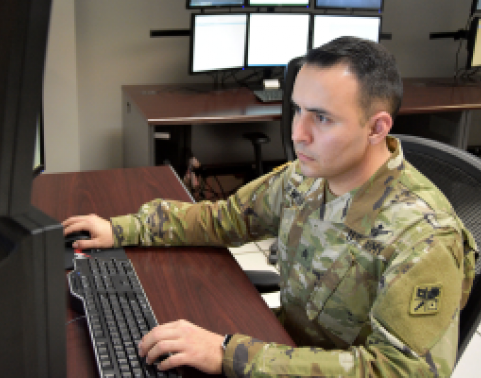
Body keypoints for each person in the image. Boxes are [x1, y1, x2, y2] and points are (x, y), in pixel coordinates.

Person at [63, 37, 478, 377]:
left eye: (322, 118)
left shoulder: (425, 239)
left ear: (376, 128)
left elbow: (398, 372)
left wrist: (231, 354)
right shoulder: (305, 177)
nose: (298, 133)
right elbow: (224, 218)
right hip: (286, 348)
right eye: (297, 110)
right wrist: (122, 230)